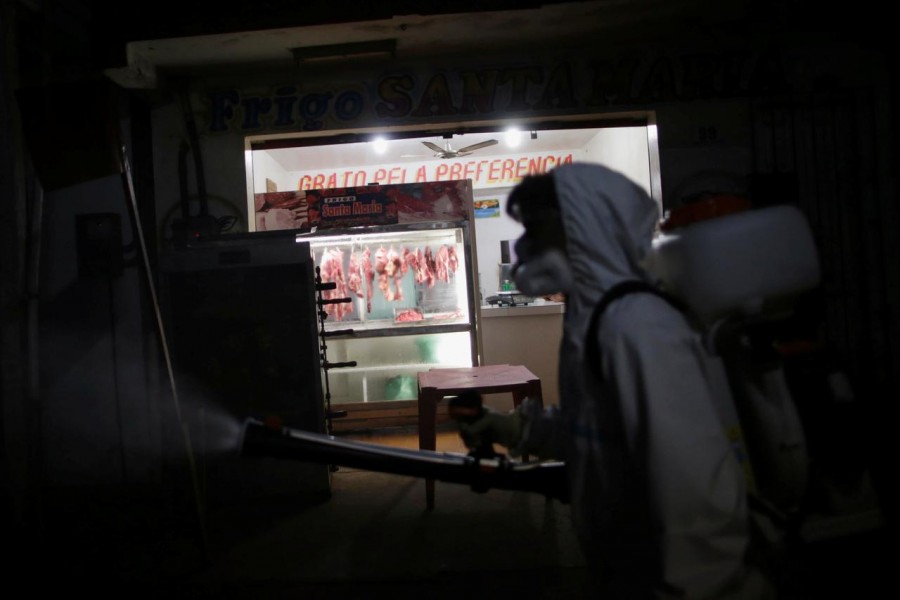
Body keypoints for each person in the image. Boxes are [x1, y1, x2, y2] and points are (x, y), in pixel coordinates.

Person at [457, 163, 775, 599]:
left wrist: (703, 587)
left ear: (586, 229)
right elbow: (597, 431)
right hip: (628, 569)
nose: (525, 246)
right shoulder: (592, 317)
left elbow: (695, 494)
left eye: (538, 228)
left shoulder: (637, 327)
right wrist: (516, 429)